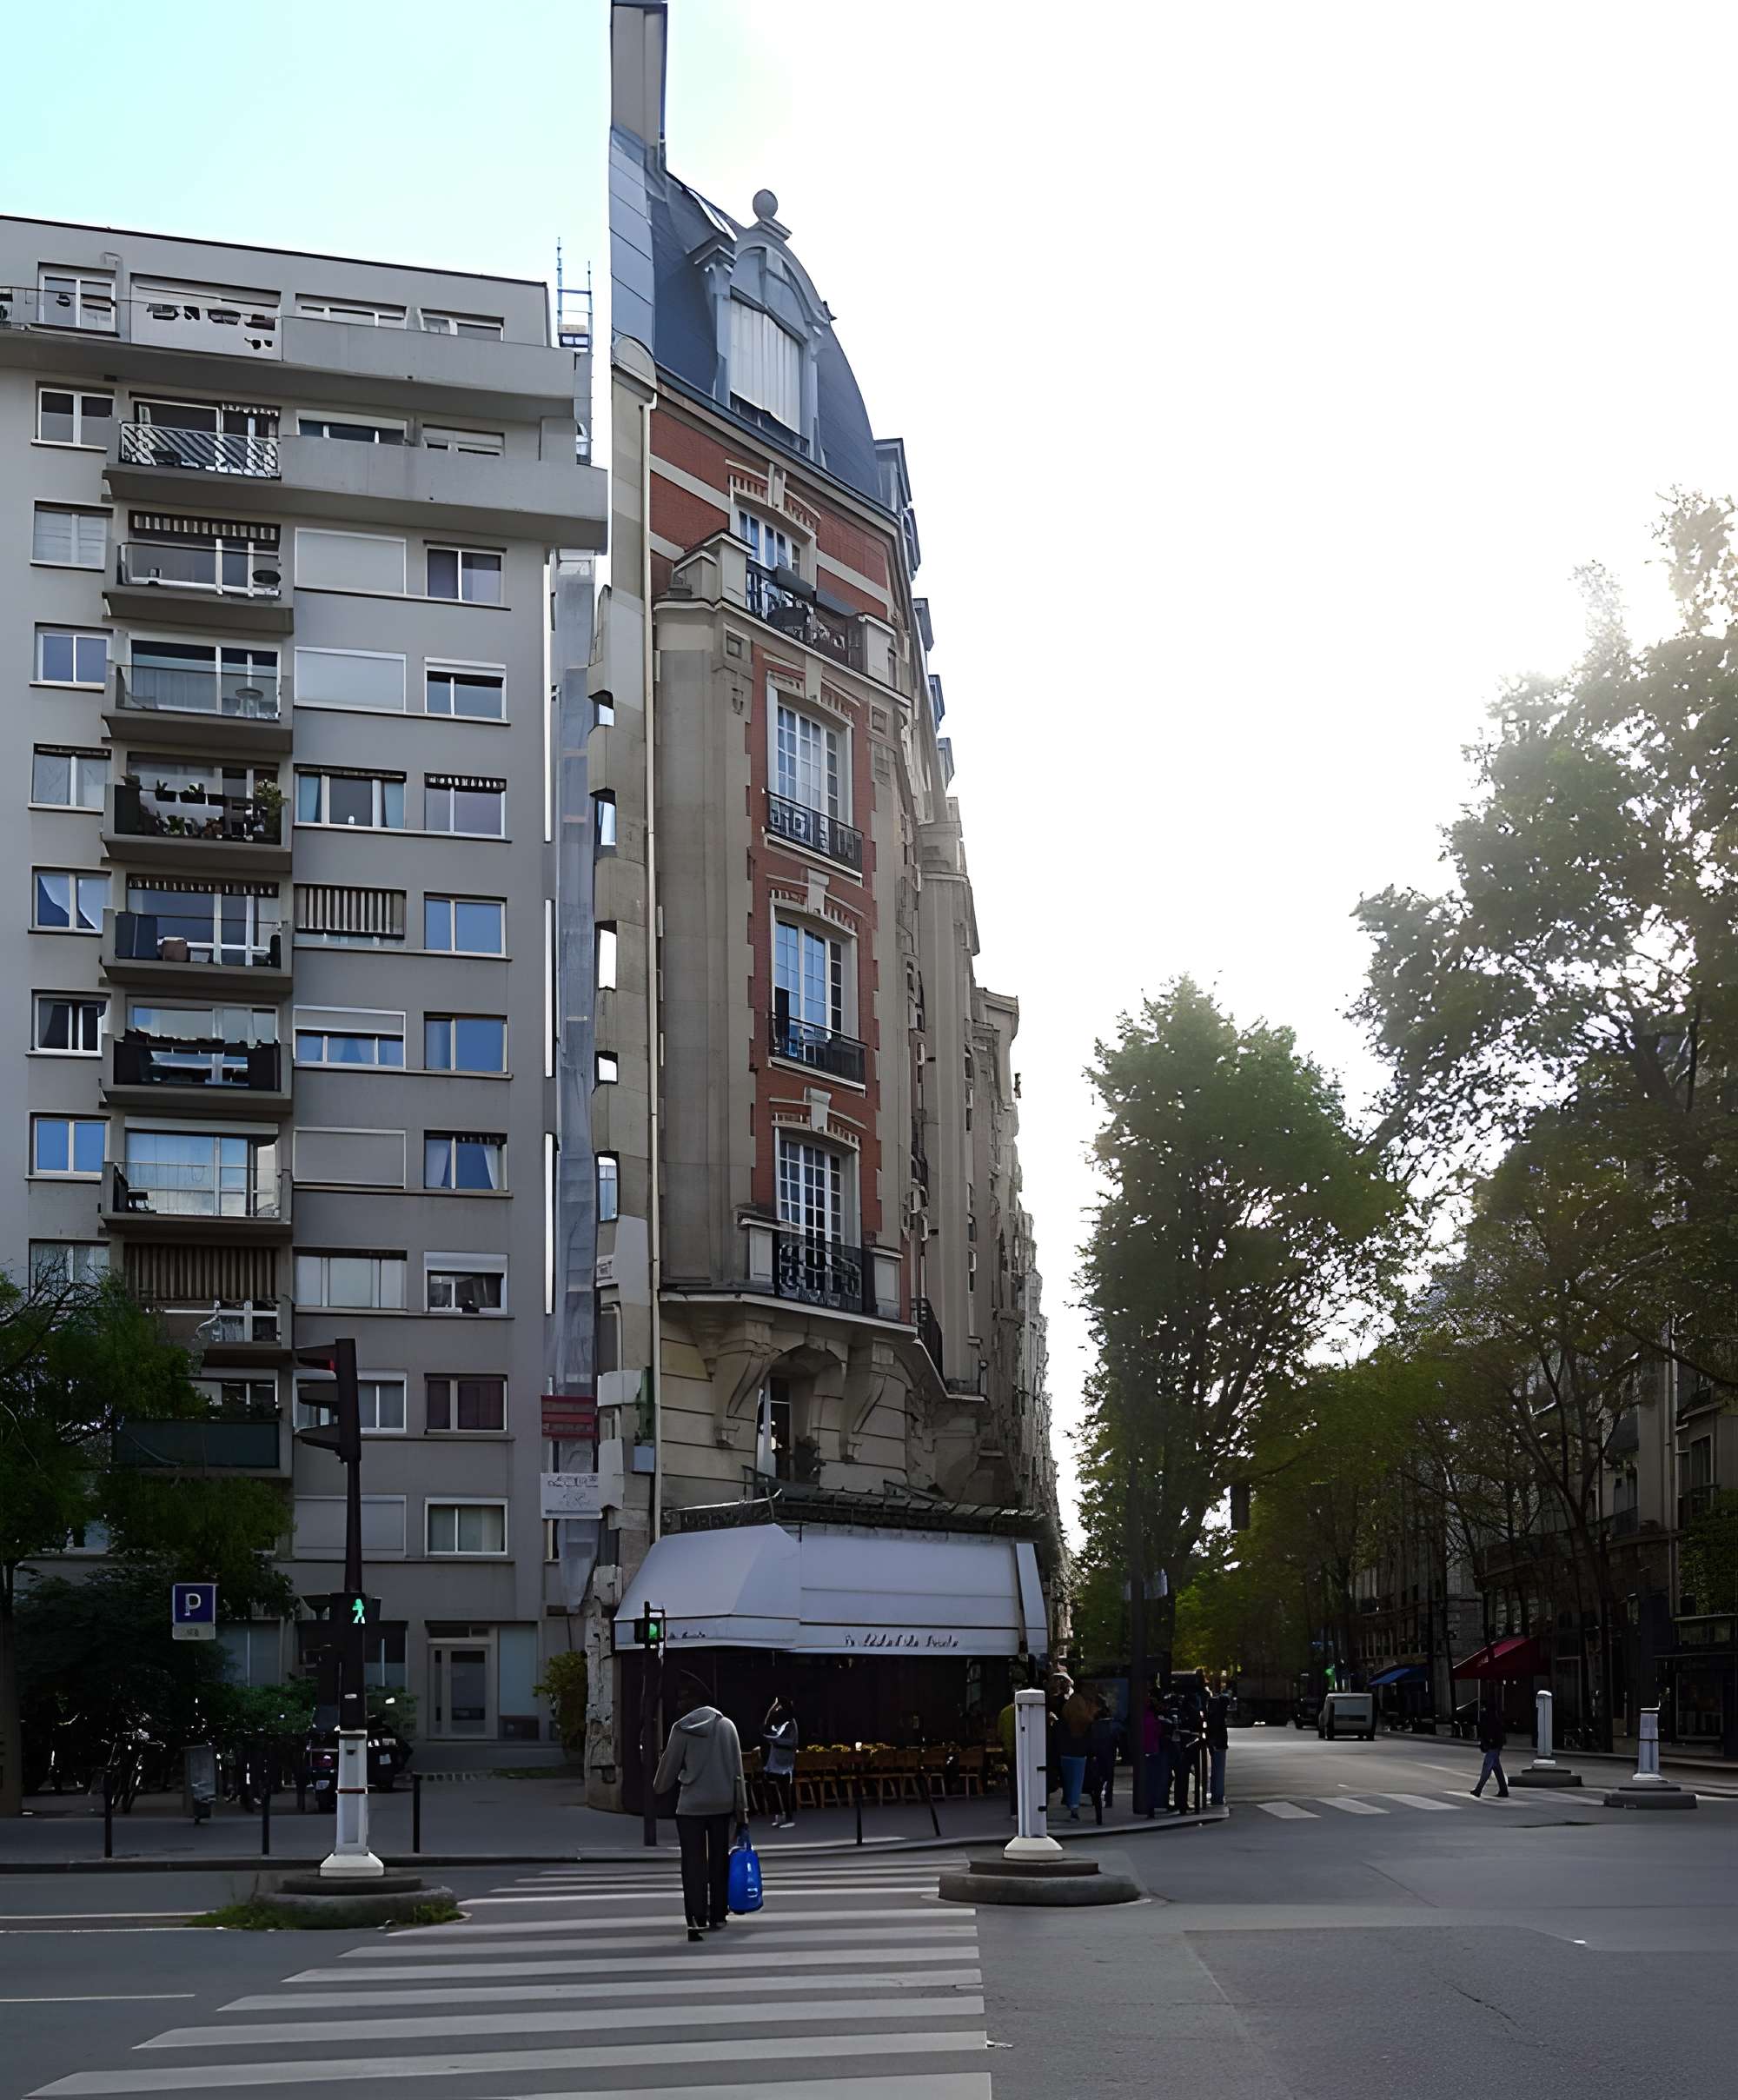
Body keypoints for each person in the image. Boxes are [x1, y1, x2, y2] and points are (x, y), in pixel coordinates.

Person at [654, 1680, 749, 1942]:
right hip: (722, 1804)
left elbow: (667, 1771)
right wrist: (742, 1810)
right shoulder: (727, 1726)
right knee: (720, 1859)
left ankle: (696, 1916)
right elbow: (737, 1773)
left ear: (689, 1703)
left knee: (693, 1863)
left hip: (691, 1806)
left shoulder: (681, 1729)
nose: (678, 1704)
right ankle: (718, 1912)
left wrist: (659, 1786)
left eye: (682, 1699)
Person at [1055, 1683, 1094, 1820]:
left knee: (1069, 1778)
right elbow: (1087, 1719)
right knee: (1077, 1778)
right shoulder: (1082, 1705)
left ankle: (1070, 1801)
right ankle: (1074, 1806)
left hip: (1066, 1748)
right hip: (1078, 1748)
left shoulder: (1068, 1704)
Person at [762, 1696, 799, 1831]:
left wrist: (777, 1742)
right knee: (770, 1786)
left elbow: (792, 1743)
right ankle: (778, 1814)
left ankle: (788, 1817)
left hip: (785, 1762)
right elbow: (767, 1726)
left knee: (784, 1790)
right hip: (775, 1761)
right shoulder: (779, 1723)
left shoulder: (790, 1724)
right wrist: (773, 1707)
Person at [1085, 1694, 1119, 1825]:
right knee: (1107, 1779)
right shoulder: (1110, 1725)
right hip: (1107, 1756)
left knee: (1097, 1785)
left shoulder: (1094, 1725)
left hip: (1097, 1758)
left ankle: (1098, 1805)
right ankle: (1107, 1800)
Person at [1471, 1698, 1509, 1798]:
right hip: (1495, 1746)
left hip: (1493, 1746)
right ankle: (1503, 1790)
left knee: (1486, 1768)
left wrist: (1487, 1743)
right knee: (1497, 1769)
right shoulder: (1494, 1718)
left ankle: (1478, 1790)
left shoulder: (1491, 1719)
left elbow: (1489, 1733)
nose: (1482, 1709)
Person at [1141, 1691, 1171, 1818]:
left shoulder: (1144, 1718)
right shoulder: (1153, 1720)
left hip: (1147, 1750)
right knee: (1154, 1780)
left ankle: (1150, 1806)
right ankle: (1152, 1805)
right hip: (1152, 1750)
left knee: (1150, 1780)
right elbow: (1158, 1732)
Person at [1204, 1680, 1231, 1806]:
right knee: (1219, 1771)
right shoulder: (1219, 1716)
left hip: (1215, 1743)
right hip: (1219, 1744)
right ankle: (1218, 1796)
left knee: (1216, 1771)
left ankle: (1216, 1795)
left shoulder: (1212, 1713)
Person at [998, 1697, 1018, 1817]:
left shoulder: (1004, 1712)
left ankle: (1014, 1811)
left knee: (1013, 1782)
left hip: (1010, 1751)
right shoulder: (1025, 1711)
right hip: (1024, 1751)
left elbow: (999, 1733)